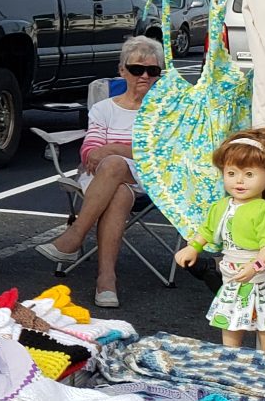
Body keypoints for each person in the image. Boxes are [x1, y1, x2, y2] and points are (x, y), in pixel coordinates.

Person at [36, 35, 167, 308]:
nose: (145, 76)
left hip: (148, 178)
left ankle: (75, 236)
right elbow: (91, 153)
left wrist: (115, 148)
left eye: (152, 70)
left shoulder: (164, 112)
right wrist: (116, 153)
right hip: (101, 179)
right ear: (122, 70)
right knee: (118, 189)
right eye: (136, 69)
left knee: (115, 163)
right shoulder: (103, 108)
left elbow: (160, 155)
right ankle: (106, 280)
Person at [176, 128, 265, 352]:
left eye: (249, 174)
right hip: (233, 274)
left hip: (262, 276)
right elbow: (207, 230)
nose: (239, 181)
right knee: (230, 319)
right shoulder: (221, 206)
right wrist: (193, 247)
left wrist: (256, 266)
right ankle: (230, 354)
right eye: (231, 173)